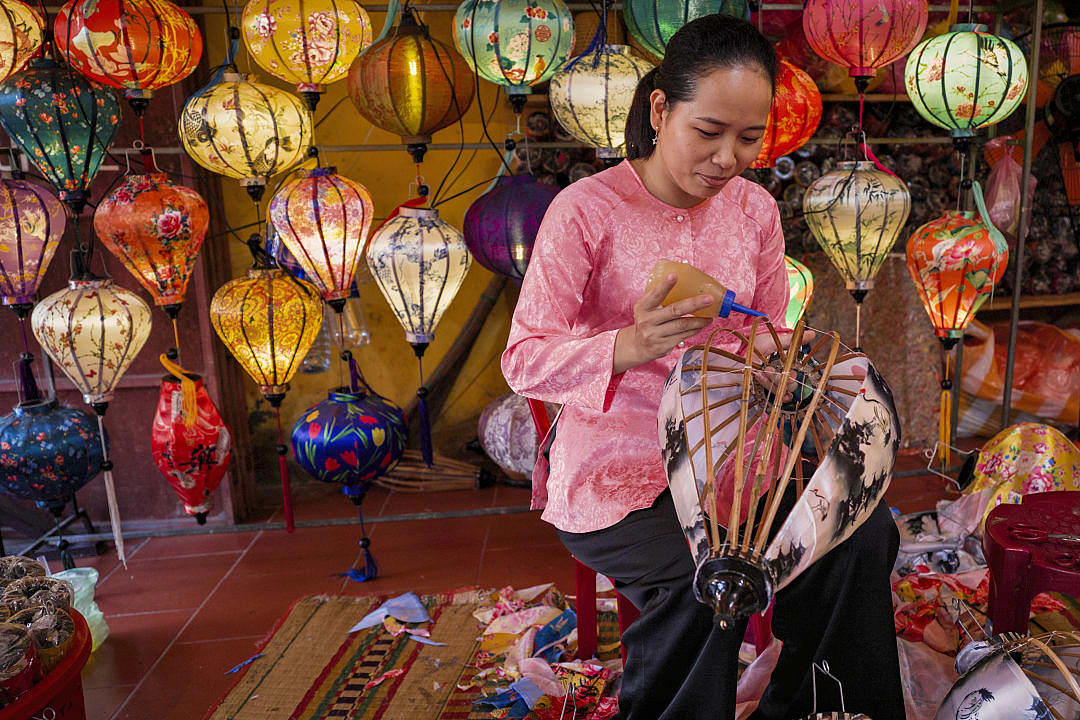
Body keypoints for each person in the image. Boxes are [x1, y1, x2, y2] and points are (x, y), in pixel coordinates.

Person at [500, 13, 905, 720]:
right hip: (618, 470)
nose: (728, 159)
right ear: (660, 110)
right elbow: (524, 360)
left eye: (749, 139)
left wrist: (784, 364)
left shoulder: (753, 211)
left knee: (860, 534)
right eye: (709, 132)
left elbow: (769, 335)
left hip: (736, 459)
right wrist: (628, 345)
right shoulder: (585, 212)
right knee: (713, 574)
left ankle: (816, 707)